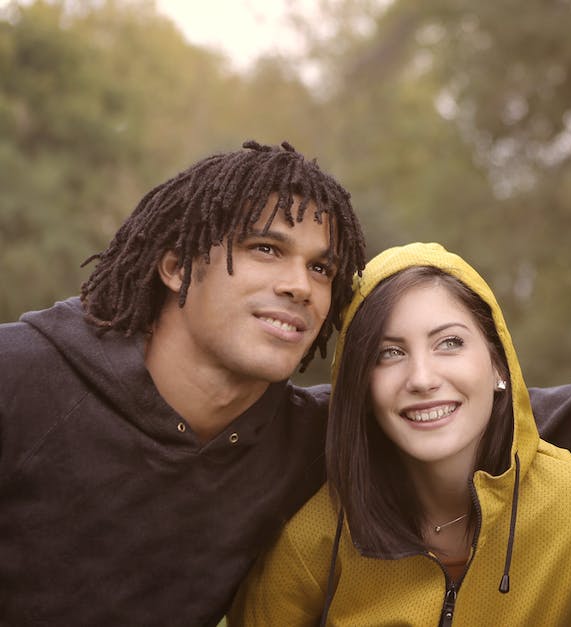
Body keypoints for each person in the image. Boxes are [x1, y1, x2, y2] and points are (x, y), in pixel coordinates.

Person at [0, 141, 367, 626]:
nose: (300, 285)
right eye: (266, 248)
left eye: (321, 268)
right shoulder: (18, 376)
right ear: (176, 268)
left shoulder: (314, 443)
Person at [230, 243, 571, 625]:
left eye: (450, 343)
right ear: (360, 385)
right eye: (389, 353)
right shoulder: (309, 537)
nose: (422, 379)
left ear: (499, 365)